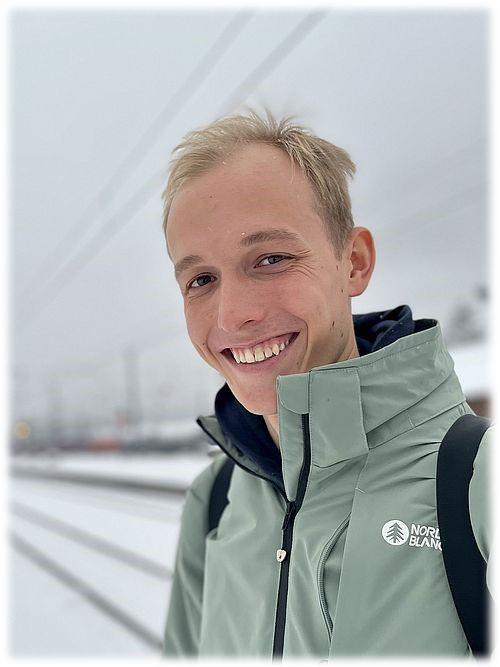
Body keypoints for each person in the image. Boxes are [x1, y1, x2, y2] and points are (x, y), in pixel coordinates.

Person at [160, 110, 492, 658]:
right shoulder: (214, 501)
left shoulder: (476, 482)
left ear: (353, 262)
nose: (232, 315)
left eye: (271, 258)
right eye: (201, 279)